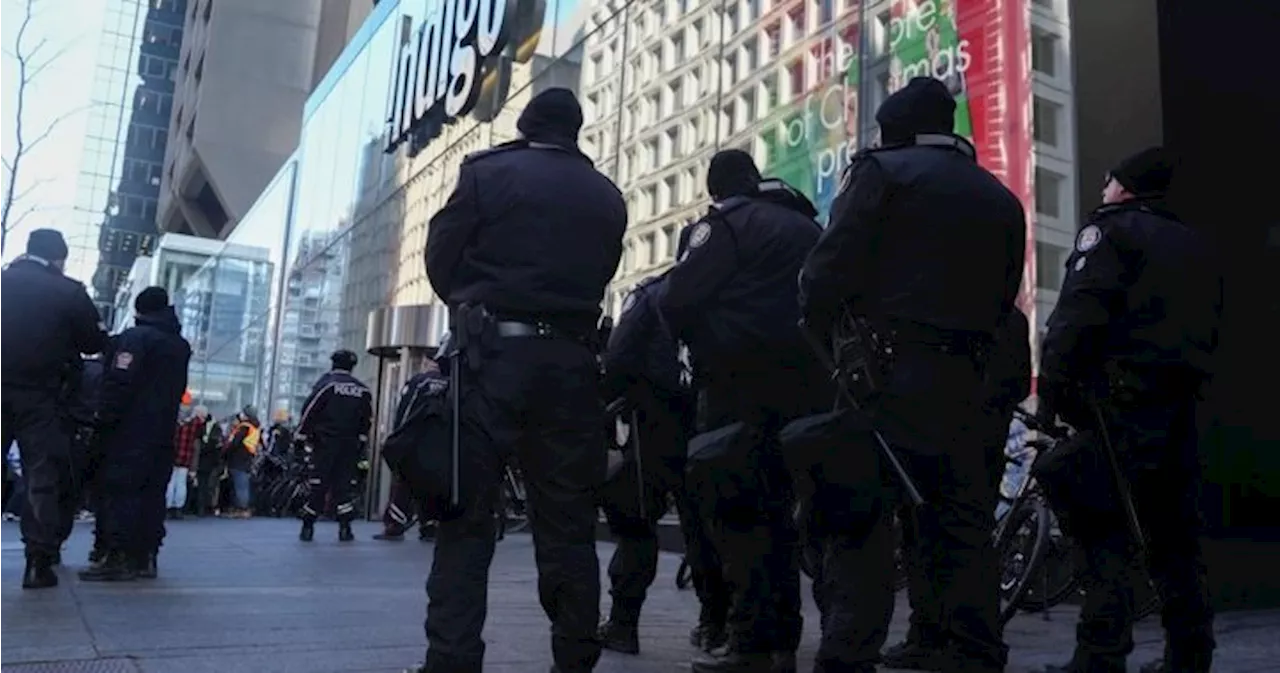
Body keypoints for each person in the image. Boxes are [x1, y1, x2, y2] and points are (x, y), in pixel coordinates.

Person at [798, 77, 1026, 673]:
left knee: (863, 519)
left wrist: (825, 332)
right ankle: (969, 648)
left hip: (885, 374)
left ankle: (850, 653)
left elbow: (826, 271)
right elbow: (1005, 299)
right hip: (965, 378)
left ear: (894, 129)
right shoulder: (999, 197)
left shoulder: (882, 173)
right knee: (958, 520)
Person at [417, 87, 626, 673]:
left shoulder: (488, 173)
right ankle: (574, 657)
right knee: (567, 525)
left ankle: (452, 661)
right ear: (575, 132)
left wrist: (476, 300)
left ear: (526, 124)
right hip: (572, 367)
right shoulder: (607, 195)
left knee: (466, 518)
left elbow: (441, 259)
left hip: (493, 361)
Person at [1037, 147, 1221, 673]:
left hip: (1118, 407)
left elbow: (1076, 316)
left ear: (1125, 187)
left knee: (1103, 529)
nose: (1102, 191)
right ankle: (1190, 655)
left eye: (1108, 181)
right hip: (1179, 407)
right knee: (1175, 537)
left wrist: (1053, 395)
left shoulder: (1111, 232)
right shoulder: (1194, 242)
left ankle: (1100, 654)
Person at [658, 149, 829, 673]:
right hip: (806, 390)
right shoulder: (808, 229)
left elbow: (676, 300)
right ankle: (784, 642)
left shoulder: (724, 226)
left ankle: (751, 642)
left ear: (718, 189)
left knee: (739, 514)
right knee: (787, 517)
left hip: (737, 389)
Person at [883, 307, 1031, 670]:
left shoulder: (949, 317)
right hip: (982, 441)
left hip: (947, 435)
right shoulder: (1008, 319)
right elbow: (1017, 385)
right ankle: (955, 637)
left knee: (931, 538)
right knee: (961, 538)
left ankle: (944, 637)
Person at [597, 269, 711, 656]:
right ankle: (717, 624)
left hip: (655, 420)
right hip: (714, 415)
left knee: (637, 522)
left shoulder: (650, 293)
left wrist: (615, 401)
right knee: (709, 524)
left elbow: (620, 356)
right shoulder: (730, 288)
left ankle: (623, 623)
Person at [0, 229, 108, 588]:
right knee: (41, 475)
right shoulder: (69, 292)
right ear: (59, 259)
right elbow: (93, 341)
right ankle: (38, 561)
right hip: (41, 395)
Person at [81, 287, 191, 582]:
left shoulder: (135, 339)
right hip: (162, 431)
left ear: (138, 309)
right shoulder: (179, 345)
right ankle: (146, 556)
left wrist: (103, 417)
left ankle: (117, 556)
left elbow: (119, 383)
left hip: (128, 431)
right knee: (152, 493)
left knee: (121, 490)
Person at [296, 350, 372, 542]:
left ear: (333, 364)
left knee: (318, 484)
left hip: (325, 443)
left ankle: (308, 526)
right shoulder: (362, 390)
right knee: (344, 487)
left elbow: (310, 410)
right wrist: (361, 441)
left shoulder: (327, 385)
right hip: (350, 445)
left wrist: (301, 435)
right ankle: (345, 528)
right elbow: (366, 420)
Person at [376, 357, 447, 542]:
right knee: (433, 482)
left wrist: (397, 435)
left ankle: (395, 524)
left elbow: (405, 409)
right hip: (441, 443)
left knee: (404, 481)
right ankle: (430, 525)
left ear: (427, 362)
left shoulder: (419, 381)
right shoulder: (452, 382)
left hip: (416, 439)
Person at [222, 407, 261, 519]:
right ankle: (243, 508)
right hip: (247, 458)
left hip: (238, 458)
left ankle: (241, 509)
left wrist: (226, 452)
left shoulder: (244, 427)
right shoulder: (255, 426)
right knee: (243, 484)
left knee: (239, 485)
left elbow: (235, 442)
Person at [168, 407, 206, 520]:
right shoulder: (194, 426)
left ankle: (168, 507)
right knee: (181, 484)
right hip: (186, 457)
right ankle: (179, 508)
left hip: (173, 457)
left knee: (170, 483)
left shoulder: (175, 425)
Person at [192, 408, 223, 517]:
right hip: (210, 461)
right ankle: (203, 507)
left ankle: (200, 507)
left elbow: (206, 444)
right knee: (206, 485)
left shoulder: (204, 427)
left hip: (204, 460)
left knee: (203, 484)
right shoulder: (215, 426)